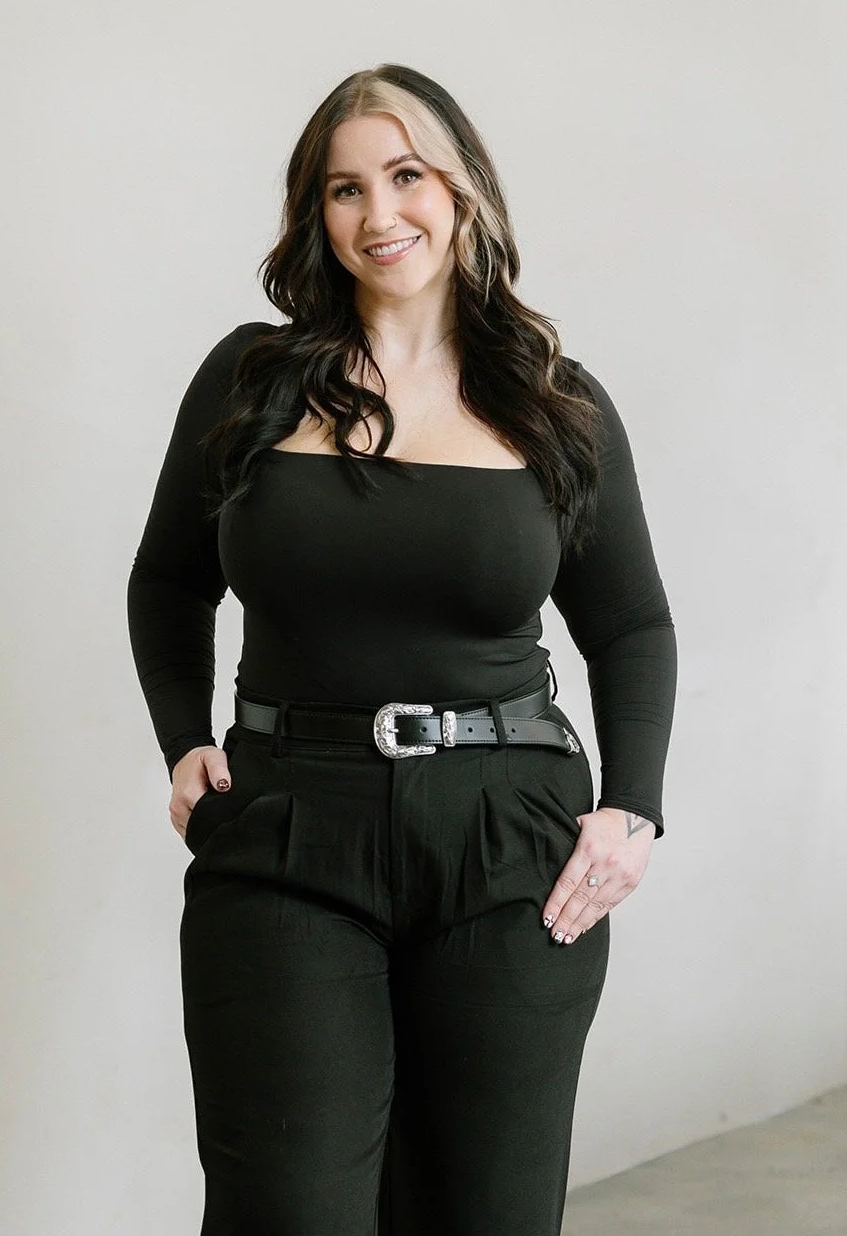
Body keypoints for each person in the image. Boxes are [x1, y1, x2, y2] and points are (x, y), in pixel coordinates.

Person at [127, 62, 676, 1236]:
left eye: (406, 175)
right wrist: (181, 740)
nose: (379, 214)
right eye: (344, 189)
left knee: (483, 1212)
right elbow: (167, 580)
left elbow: (629, 624)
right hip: (286, 827)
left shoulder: (552, 401)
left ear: (461, 187)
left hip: (507, 839)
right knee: (287, 1208)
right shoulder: (251, 380)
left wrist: (631, 810)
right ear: (314, 213)